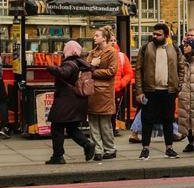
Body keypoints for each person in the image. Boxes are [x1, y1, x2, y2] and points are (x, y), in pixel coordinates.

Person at [133, 23, 181, 160]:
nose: (155, 36)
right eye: (153, 34)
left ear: (166, 35)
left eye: (158, 34)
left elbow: (181, 68)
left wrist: (179, 86)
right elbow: (139, 71)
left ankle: (169, 148)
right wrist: (140, 91)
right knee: (147, 120)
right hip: (150, 91)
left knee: (168, 120)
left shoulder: (174, 49)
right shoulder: (145, 48)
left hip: (168, 90)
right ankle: (145, 149)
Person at [44, 40, 96, 164]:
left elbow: (64, 73)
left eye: (65, 48)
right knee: (72, 128)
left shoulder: (70, 63)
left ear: (69, 50)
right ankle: (87, 144)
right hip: (78, 101)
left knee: (57, 127)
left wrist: (50, 67)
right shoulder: (81, 63)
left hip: (66, 101)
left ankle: (58, 156)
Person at [86, 27, 118, 160]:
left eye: (97, 35)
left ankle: (109, 149)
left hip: (104, 92)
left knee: (105, 123)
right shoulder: (92, 52)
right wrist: (91, 66)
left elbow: (111, 71)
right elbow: (85, 68)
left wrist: (94, 71)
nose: (94, 37)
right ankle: (97, 150)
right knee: (93, 122)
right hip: (93, 91)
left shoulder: (111, 52)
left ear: (104, 38)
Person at [113, 34, 134, 134]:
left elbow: (129, 73)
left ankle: (112, 128)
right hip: (103, 90)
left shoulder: (121, 56)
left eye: (114, 40)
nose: (113, 42)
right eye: (110, 40)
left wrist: (121, 83)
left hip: (117, 89)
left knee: (114, 110)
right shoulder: (99, 54)